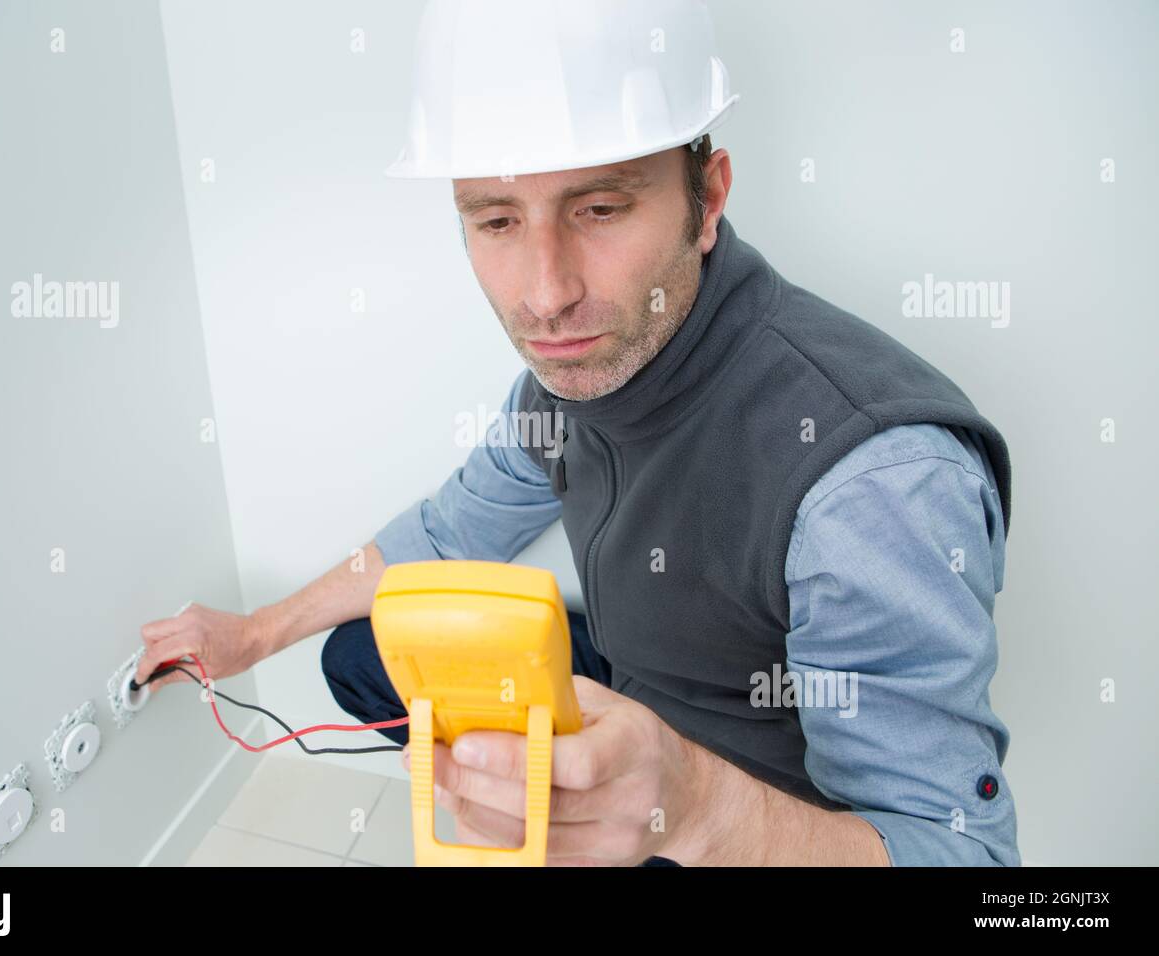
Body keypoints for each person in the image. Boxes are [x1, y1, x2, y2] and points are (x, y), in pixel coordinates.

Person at [137, 0, 1019, 867]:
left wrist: (698, 812)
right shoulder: (570, 383)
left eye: (599, 208)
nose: (545, 294)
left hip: (758, 819)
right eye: (496, 220)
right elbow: (446, 535)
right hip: (636, 684)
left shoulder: (872, 483)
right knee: (364, 658)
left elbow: (969, 863)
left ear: (705, 201)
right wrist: (253, 635)